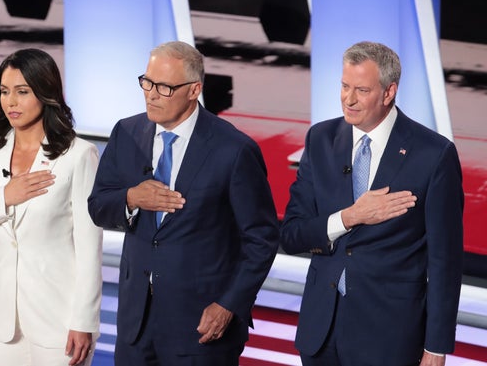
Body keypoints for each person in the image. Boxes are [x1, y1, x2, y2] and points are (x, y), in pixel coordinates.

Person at [88, 41, 280, 365]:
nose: (150, 94)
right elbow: (98, 206)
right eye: (146, 82)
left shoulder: (233, 149)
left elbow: (261, 238)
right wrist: (132, 198)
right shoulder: (127, 132)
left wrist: (229, 304)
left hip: (201, 329)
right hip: (136, 326)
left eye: (163, 87)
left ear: (194, 90)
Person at [280, 41, 464, 366]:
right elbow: (293, 234)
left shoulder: (433, 155)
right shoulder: (320, 140)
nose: (348, 99)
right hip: (320, 333)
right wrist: (349, 217)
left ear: (388, 92)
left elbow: (444, 261)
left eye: (361, 90)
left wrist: (436, 347)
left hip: (388, 338)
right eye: (344, 86)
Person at [0, 48, 102, 366]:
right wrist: (4, 197)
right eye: (4, 92)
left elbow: (89, 248)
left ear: (46, 93)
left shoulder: (78, 155)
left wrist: (84, 321)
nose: (11, 102)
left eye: (22, 92)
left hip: (59, 321)